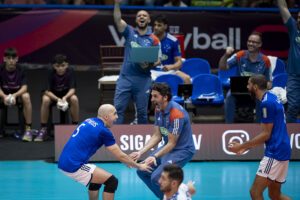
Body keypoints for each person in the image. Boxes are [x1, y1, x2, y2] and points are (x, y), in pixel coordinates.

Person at [58, 104, 152, 200]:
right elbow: (120, 156)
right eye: (115, 114)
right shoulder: (103, 131)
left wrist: (127, 159)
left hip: (65, 160)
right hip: (73, 165)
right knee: (112, 181)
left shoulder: (89, 120)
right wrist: (139, 166)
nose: (117, 117)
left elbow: (122, 156)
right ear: (106, 117)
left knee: (96, 180)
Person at [228, 74, 292, 200]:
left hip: (275, 152)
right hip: (283, 148)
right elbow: (268, 133)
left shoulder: (266, 103)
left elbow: (266, 134)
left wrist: (241, 146)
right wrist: (247, 147)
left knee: (255, 192)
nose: (247, 87)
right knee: (275, 195)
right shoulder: (272, 97)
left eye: (249, 84)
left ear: (255, 87)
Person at [130, 82, 195, 199]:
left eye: (155, 96)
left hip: (182, 151)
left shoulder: (176, 114)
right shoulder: (158, 109)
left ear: (165, 97)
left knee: (156, 177)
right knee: (142, 171)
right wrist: (140, 152)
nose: (152, 99)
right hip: (168, 148)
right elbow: (157, 136)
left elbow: (172, 143)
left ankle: (180, 197)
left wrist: (154, 156)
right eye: (152, 96)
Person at [113, 0, 161, 124]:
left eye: (144, 15)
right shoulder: (129, 31)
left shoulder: (154, 39)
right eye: (139, 15)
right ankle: (113, 139)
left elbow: (158, 60)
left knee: (142, 112)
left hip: (143, 79)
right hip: (126, 77)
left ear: (149, 20)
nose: (141, 17)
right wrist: (117, 4)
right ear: (136, 20)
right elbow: (118, 20)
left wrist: (149, 64)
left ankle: (144, 141)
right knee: (117, 110)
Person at [218, 31, 271, 123]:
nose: (250, 43)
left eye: (254, 42)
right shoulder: (240, 55)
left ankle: (260, 126)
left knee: (262, 97)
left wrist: (262, 88)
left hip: (256, 92)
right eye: (249, 41)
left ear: (260, 44)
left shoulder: (265, 60)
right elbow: (222, 67)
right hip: (240, 90)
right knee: (229, 96)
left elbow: (269, 82)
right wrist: (226, 54)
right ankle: (228, 126)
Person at [34, 54, 79, 142]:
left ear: (67, 65)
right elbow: (46, 91)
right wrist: (57, 99)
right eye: (57, 66)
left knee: (74, 98)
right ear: (54, 66)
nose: (60, 68)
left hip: (65, 96)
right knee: (45, 99)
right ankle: (43, 128)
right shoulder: (50, 72)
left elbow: (73, 89)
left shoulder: (70, 71)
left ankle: (75, 127)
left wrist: (65, 97)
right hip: (53, 96)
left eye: (63, 66)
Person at [0, 48, 33, 141]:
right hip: (3, 95)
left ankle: (28, 129)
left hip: (17, 96)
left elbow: (24, 88)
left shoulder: (21, 69)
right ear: (4, 59)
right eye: (8, 58)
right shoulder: (1, 68)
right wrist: (4, 96)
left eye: (13, 58)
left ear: (17, 59)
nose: (11, 61)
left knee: (26, 96)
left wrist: (14, 95)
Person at [277, 0, 300, 123]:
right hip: (294, 76)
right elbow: (282, 5)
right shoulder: (294, 29)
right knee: (292, 107)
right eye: (299, 17)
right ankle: (290, 134)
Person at [152, 14, 191, 84]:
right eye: (155, 25)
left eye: (159, 25)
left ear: (165, 26)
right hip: (153, 71)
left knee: (187, 78)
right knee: (147, 80)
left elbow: (179, 62)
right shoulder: (148, 39)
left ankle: (184, 95)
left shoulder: (173, 41)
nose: (156, 27)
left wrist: (171, 67)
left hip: (170, 70)